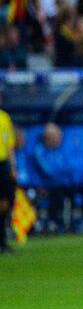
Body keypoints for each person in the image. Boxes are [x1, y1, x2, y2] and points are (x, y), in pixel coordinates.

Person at [0, 96, 16, 253]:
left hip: (2, 164)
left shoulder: (5, 118)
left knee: (5, 204)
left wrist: (13, 167)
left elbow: (10, 145)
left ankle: (2, 241)